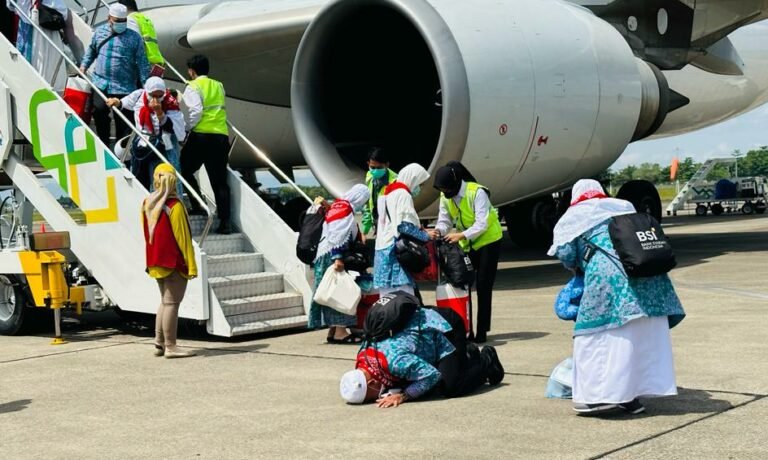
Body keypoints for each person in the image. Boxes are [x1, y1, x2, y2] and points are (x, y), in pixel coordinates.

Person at [548, 179, 686, 415]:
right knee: (641, 335)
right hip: (649, 277)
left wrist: (577, 267)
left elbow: (567, 254)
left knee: (597, 336)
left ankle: (597, 396)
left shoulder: (575, 217)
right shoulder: (623, 208)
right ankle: (631, 397)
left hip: (610, 280)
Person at [339, 292, 504, 407]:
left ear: (371, 382)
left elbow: (432, 375)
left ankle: (486, 361)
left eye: (370, 398)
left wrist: (404, 396)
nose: (375, 399)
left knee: (450, 386)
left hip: (445, 327)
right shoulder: (363, 356)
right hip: (422, 327)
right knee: (412, 381)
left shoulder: (396, 362)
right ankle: (466, 354)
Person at [430, 161, 503, 343]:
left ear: (455, 183)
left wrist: (461, 235)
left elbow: (482, 223)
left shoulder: (477, 192)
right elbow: (444, 220)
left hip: (488, 240)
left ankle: (482, 330)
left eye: (447, 189)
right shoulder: (445, 195)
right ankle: (466, 327)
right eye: (442, 190)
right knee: (463, 283)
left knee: (483, 285)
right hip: (468, 243)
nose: (445, 193)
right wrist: (439, 230)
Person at [141, 163, 198, 359]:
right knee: (172, 304)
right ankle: (171, 346)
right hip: (173, 263)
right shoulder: (175, 206)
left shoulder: (147, 203)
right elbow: (183, 240)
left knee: (165, 303)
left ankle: (159, 343)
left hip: (155, 262)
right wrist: (191, 265)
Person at [80, 3, 150, 147]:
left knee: (123, 123)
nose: (120, 24)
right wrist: (83, 67)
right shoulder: (99, 33)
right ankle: (104, 144)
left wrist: (146, 85)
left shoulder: (134, 38)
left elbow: (143, 63)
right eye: (117, 21)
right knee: (99, 113)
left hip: (124, 87)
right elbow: (91, 51)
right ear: (109, 19)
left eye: (123, 21)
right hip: (101, 83)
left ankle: (120, 153)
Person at [309, 185, 371, 343]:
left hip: (324, 254)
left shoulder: (338, 205)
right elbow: (337, 234)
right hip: (331, 255)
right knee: (339, 292)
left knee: (330, 291)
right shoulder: (344, 209)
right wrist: (338, 258)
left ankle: (333, 330)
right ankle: (340, 332)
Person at [180, 54, 232, 234]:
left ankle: (197, 205)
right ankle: (226, 223)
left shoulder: (192, 87)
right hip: (221, 136)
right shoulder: (219, 85)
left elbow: (195, 111)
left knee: (183, 169)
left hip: (201, 136)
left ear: (191, 71)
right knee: (220, 182)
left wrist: (186, 128)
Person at [107, 77, 185, 192]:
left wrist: (160, 113)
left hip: (162, 146)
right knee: (140, 177)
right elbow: (125, 102)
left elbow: (175, 128)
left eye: (160, 96)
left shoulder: (170, 103)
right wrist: (117, 102)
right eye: (153, 95)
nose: (156, 99)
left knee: (162, 180)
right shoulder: (139, 95)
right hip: (143, 143)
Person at [373, 163, 430, 297]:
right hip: (394, 253)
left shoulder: (388, 193)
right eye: (420, 184)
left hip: (382, 251)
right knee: (404, 302)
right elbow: (404, 226)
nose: (420, 188)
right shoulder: (403, 194)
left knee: (386, 301)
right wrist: (426, 236)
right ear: (413, 179)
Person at [118, 0, 165, 76]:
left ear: (124, 8)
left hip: (144, 64)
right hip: (156, 63)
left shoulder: (129, 19)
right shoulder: (145, 19)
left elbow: (134, 43)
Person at [361, 147, 397, 236]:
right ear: (368, 164)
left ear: (387, 165)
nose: (375, 170)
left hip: (391, 225)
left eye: (379, 167)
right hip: (377, 222)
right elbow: (368, 203)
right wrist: (365, 229)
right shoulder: (369, 176)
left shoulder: (395, 181)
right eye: (372, 167)